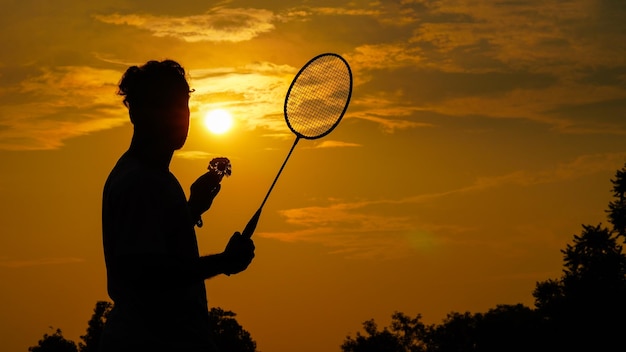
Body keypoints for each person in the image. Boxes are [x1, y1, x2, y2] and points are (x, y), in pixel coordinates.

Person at [100, 60, 255, 352]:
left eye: (184, 105)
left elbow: (156, 247)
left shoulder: (153, 177)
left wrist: (191, 209)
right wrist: (225, 261)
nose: (181, 116)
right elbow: (152, 275)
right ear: (140, 113)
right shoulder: (140, 181)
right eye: (168, 105)